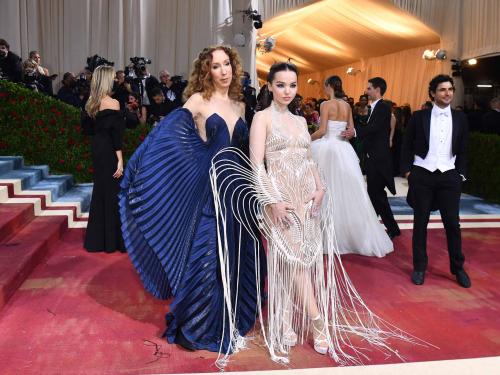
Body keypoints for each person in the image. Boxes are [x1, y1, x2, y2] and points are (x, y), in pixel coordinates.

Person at [211, 62, 413, 365]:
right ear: (269, 87)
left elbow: (308, 159)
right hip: (280, 201)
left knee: (297, 261)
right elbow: (256, 166)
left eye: (292, 85)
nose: (287, 91)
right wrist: (272, 202)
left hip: (307, 200)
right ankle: (318, 320)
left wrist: (320, 188)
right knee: (295, 262)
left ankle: (286, 321)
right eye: (280, 85)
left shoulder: (300, 120)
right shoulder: (262, 119)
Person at [119, 45, 260, 360]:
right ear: (206, 71)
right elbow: (167, 138)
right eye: (216, 66)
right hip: (211, 192)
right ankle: (200, 323)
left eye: (227, 64)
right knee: (207, 256)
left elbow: (246, 152)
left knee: (236, 255)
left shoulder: (240, 103)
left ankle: (231, 316)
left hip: (239, 192)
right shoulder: (197, 101)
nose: (223, 71)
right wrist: (139, 167)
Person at [310, 76, 393, 257]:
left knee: (326, 189)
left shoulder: (325, 105)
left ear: (329, 86)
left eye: (324, 86)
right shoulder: (347, 106)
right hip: (344, 150)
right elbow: (350, 131)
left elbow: (322, 131)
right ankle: (353, 234)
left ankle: (328, 233)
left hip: (328, 149)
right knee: (349, 191)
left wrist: (306, 139)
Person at [401, 74, 470, 288]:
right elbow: (406, 145)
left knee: (452, 224)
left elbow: (464, 149)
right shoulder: (418, 116)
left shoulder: (461, 118)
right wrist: (407, 172)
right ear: (433, 93)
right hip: (423, 173)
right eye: (442, 90)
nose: (447, 93)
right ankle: (420, 267)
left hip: (449, 176)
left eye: (450, 89)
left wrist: (460, 174)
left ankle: (457, 268)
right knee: (420, 223)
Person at [81, 65, 125, 252]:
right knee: (113, 191)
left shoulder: (90, 102)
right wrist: (120, 160)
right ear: (107, 79)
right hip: (109, 150)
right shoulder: (113, 103)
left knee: (100, 191)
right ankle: (112, 241)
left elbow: (86, 129)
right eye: (114, 77)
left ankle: (97, 240)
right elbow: (117, 136)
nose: (116, 80)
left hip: (97, 148)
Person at [354, 77, 400, 240]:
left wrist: (353, 132)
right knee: (375, 194)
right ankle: (379, 226)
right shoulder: (376, 108)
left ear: (377, 89)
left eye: (369, 88)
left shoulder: (383, 107)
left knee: (376, 194)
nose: (366, 91)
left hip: (379, 160)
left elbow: (373, 128)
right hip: (374, 158)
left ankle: (388, 227)